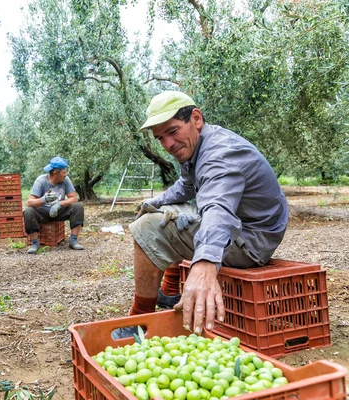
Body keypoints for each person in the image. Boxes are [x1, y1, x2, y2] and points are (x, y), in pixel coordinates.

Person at [118, 91, 289, 337]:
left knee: (147, 227)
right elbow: (186, 186)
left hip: (251, 240)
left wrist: (206, 263)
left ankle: (139, 321)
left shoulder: (219, 155)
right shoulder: (195, 145)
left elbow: (218, 210)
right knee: (165, 214)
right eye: (160, 138)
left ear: (196, 118)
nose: (168, 145)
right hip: (245, 226)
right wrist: (155, 201)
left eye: (173, 131)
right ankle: (169, 291)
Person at [24, 156, 85, 254]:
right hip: (43, 212)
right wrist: (43, 200)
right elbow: (30, 202)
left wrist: (60, 204)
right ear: (55, 173)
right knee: (28, 212)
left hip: (59, 212)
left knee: (78, 206)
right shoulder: (41, 181)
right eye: (64, 172)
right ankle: (35, 243)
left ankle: (73, 240)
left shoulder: (66, 180)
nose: (66, 174)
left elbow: (74, 198)